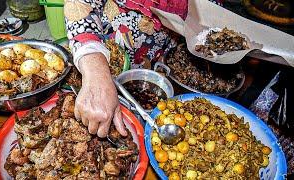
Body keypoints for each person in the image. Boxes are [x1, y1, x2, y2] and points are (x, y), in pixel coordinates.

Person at [64, 0, 223, 138]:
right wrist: (96, 73)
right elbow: (79, 5)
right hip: (116, 46)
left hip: (173, 53)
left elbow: (211, 11)